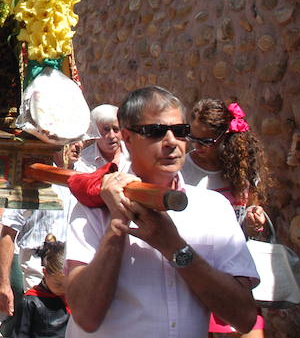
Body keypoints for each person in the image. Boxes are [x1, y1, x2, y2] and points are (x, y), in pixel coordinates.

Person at [64, 85, 259, 337]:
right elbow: (86, 317)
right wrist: (117, 226)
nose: (171, 142)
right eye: (155, 132)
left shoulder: (213, 208)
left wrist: (175, 248)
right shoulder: (95, 205)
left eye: (180, 131)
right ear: (127, 138)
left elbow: (244, 318)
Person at [184, 99, 271, 337]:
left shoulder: (242, 170)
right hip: (194, 273)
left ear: (225, 138)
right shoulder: (183, 169)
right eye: (193, 138)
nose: (197, 146)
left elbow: (251, 213)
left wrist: (256, 217)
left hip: (235, 275)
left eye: (206, 141)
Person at [0, 185, 74, 319]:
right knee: (41, 320)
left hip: (73, 269)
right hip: (37, 267)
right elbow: (8, 232)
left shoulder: (86, 174)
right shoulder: (32, 182)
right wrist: (3, 283)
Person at [12, 235, 70, 338]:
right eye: (58, 284)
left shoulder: (73, 298)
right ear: (45, 273)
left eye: (68, 284)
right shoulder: (30, 301)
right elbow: (20, 334)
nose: (63, 289)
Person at [73, 105, 129, 173]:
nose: (112, 136)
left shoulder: (134, 154)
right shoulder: (83, 161)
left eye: (116, 129)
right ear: (95, 132)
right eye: (106, 130)